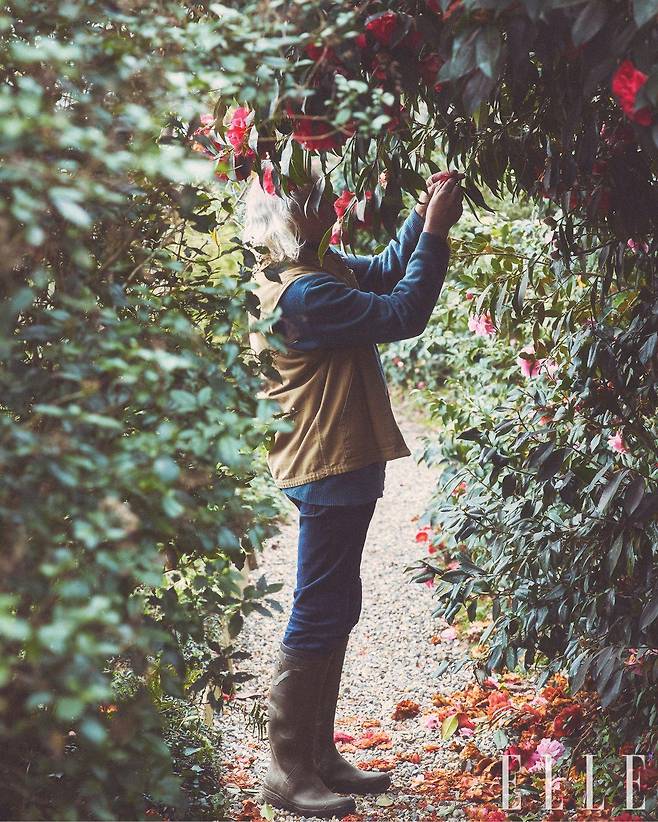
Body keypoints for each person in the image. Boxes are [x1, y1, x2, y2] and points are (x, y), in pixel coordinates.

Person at [244, 163, 463, 818]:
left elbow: (388, 269)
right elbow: (404, 311)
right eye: (309, 198)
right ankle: (287, 769)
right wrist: (439, 232)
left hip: (332, 460)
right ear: (288, 219)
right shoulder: (305, 294)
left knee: (337, 599)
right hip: (328, 464)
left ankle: (318, 755)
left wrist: (424, 214)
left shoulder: (311, 267)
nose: (324, 200)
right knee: (319, 603)